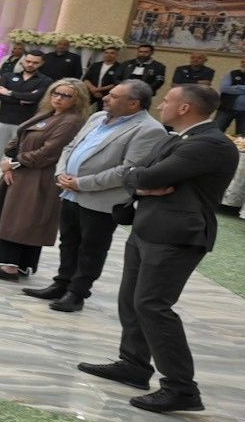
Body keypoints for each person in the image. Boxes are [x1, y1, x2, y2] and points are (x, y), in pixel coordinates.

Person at [77, 84, 240, 414]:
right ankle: (133, 364)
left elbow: (147, 177)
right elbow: (135, 174)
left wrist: (143, 181)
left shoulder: (210, 143)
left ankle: (181, 388)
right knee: (131, 300)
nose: (161, 105)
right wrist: (143, 183)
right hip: (148, 227)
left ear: (184, 108)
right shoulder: (177, 138)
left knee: (153, 305)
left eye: (167, 101)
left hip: (176, 235)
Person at [27, 79, 168, 313]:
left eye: (114, 96)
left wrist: (81, 183)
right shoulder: (97, 117)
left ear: (134, 104)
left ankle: (77, 293)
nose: (106, 98)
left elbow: (127, 170)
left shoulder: (149, 129)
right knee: (69, 241)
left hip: (101, 199)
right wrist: (61, 172)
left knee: (91, 248)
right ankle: (61, 283)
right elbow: (71, 147)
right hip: (70, 191)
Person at [0, 78, 89, 281]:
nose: (58, 98)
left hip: (40, 176)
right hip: (24, 171)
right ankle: (18, 264)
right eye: (55, 93)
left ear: (78, 100)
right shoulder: (48, 113)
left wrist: (15, 163)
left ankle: (11, 266)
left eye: (66, 95)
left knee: (24, 220)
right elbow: (19, 138)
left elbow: (49, 152)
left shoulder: (71, 121)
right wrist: (10, 159)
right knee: (16, 217)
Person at [0, 51, 51, 158]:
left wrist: (9, 93)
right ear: (23, 61)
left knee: (17, 155)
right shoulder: (8, 76)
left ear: (41, 63)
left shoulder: (45, 81)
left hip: (25, 124)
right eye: (28, 61)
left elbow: (35, 98)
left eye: (35, 63)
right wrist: (21, 100)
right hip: (3, 121)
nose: (30, 64)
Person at [217, 56, 245, 136]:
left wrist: (238, 87)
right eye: (242, 62)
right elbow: (224, 88)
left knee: (243, 137)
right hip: (226, 109)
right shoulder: (232, 73)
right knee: (215, 132)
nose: (244, 64)